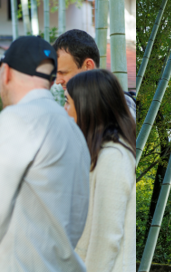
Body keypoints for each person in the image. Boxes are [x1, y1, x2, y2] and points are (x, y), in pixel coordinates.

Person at [0, 36, 90, 272]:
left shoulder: (17, 118)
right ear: (50, 82)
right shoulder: (74, 130)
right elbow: (78, 216)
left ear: (6, 72)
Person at [64, 69, 136, 272]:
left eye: (68, 102)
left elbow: (106, 239)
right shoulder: (99, 152)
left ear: (87, 106)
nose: (64, 108)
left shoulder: (114, 157)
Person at [53, 29, 135, 118]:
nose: (57, 81)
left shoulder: (121, 109)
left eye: (63, 72)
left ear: (88, 66)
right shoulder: (79, 106)